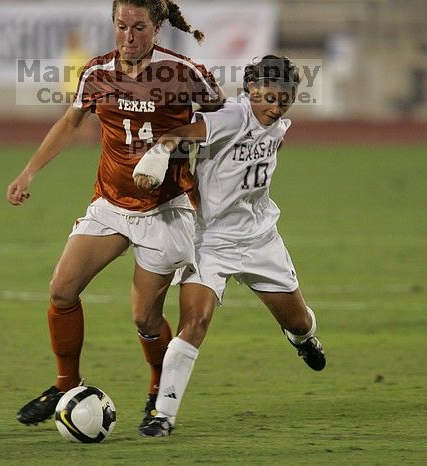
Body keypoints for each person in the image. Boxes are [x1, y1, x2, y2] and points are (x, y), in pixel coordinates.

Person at [6, 0, 224, 429]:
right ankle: (65, 384)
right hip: (110, 204)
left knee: (145, 318)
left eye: (138, 27)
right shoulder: (97, 72)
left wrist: (176, 150)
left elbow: (223, 122)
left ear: (157, 28)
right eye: (121, 26)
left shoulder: (185, 73)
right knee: (61, 290)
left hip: (166, 209)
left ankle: (159, 391)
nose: (128, 36)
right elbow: (70, 122)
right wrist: (28, 172)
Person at [132, 55, 326, 436]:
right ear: (251, 90)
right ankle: (162, 415)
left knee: (299, 322)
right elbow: (185, 133)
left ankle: (303, 340)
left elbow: (266, 150)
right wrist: (161, 150)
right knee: (195, 322)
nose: (277, 106)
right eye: (269, 97)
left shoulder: (277, 125)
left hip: (260, 240)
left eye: (285, 98)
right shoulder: (232, 117)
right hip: (209, 242)